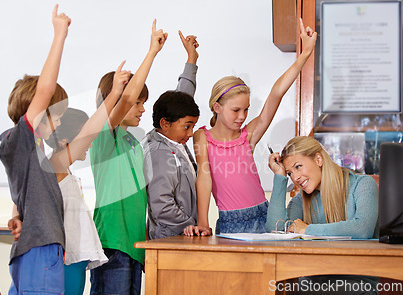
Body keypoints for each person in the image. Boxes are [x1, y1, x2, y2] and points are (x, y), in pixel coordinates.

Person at [185, 18, 317, 236]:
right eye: (235, 110)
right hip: (231, 223)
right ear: (216, 107)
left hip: (265, 217)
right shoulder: (201, 137)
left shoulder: (248, 135)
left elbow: (276, 93)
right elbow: (204, 177)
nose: (242, 116)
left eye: (245, 110)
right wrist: (203, 222)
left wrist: (304, 55)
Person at [89, 19, 167, 295]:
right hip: (112, 244)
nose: (142, 109)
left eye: (144, 102)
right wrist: (151, 53)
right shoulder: (102, 135)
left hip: (134, 247)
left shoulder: (134, 143)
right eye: (138, 102)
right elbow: (123, 100)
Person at [0, 5, 71, 294]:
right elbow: (44, 91)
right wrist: (60, 35)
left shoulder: (35, 150)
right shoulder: (19, 141)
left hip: (44, 248)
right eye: (57, 111)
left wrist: (17, 214)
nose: (61, 118)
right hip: (39, 250)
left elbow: (26, 191)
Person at [47, 62, 131, 295]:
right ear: (65, 142)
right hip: (65, 260)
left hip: (77, 259)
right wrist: (114, 93)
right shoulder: (55, 165)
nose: (90, 142)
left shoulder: (67, 172)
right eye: (82, 137)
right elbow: (91, 131)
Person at [266, 136, 378, 294]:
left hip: (356, 283)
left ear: (318, 159)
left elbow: (362, 229)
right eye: (290, 173)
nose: (295, 178)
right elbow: (276, 229)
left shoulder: (362, 184)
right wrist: (279, 177)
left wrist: (307, 230)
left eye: (298, 167)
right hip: (314, 281)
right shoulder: (302, 199)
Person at [142, 31, 200, 240]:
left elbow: (183, 95)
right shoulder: (159, 152)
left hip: (183, 234)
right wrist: (193, 225)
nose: (191, 133)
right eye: (187, 127)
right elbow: (162, 205)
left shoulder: (171, 135)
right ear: (165, 124)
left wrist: (191, 60)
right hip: (171, 238)